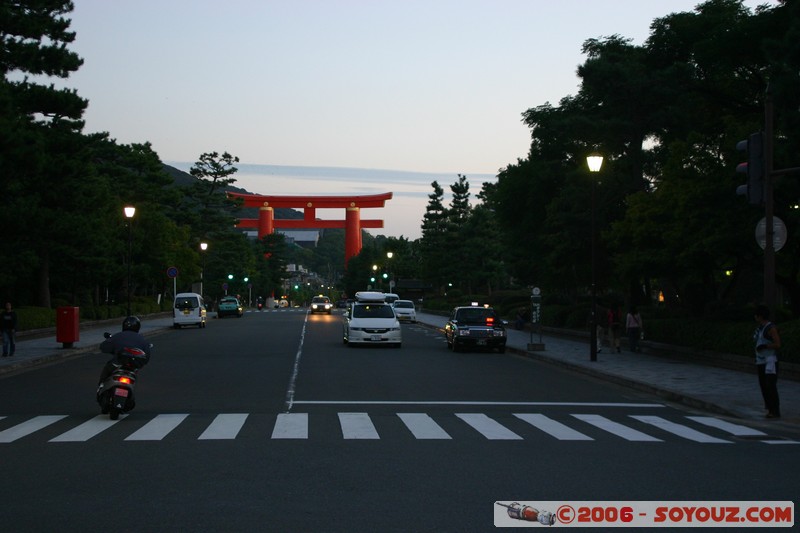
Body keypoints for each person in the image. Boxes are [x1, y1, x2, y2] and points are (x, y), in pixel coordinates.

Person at [98, 316, 151, 385]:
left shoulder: (118, 336)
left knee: (107, 370)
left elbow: (103, 347)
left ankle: (101, 385)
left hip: (117, 364)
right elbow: (147, 357)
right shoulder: (142, 339)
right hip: (133, 368)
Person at [753, 304, 781, 419]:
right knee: (763, 385)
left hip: (770, 361)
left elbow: (778, 344)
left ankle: (775, 410)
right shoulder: (760, 328)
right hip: (761, 360)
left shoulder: (770, 328)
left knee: (770, 385)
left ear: (760, 316)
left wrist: (765, 346)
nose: (755, 317)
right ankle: (769, 409)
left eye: (756, 315)